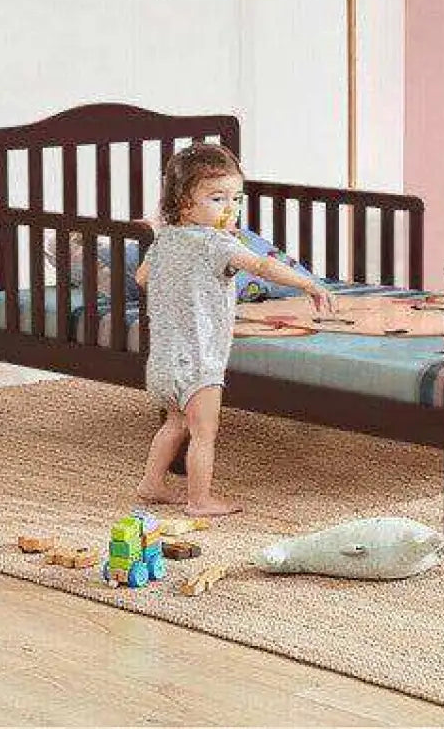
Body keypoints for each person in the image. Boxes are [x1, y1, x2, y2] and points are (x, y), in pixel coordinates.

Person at [134, 142, 335, 515]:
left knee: (176, 424)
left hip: (163, 360)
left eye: (236, 199)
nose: (231, 208)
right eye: (218, 199)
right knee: (204, 433)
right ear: (185, 204)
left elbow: (142, 278)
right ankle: (200, 500)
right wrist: (308, 284)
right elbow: (263, 267)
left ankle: (152, 484)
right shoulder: (218, 243)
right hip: (201, 362)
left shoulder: (165, 239)